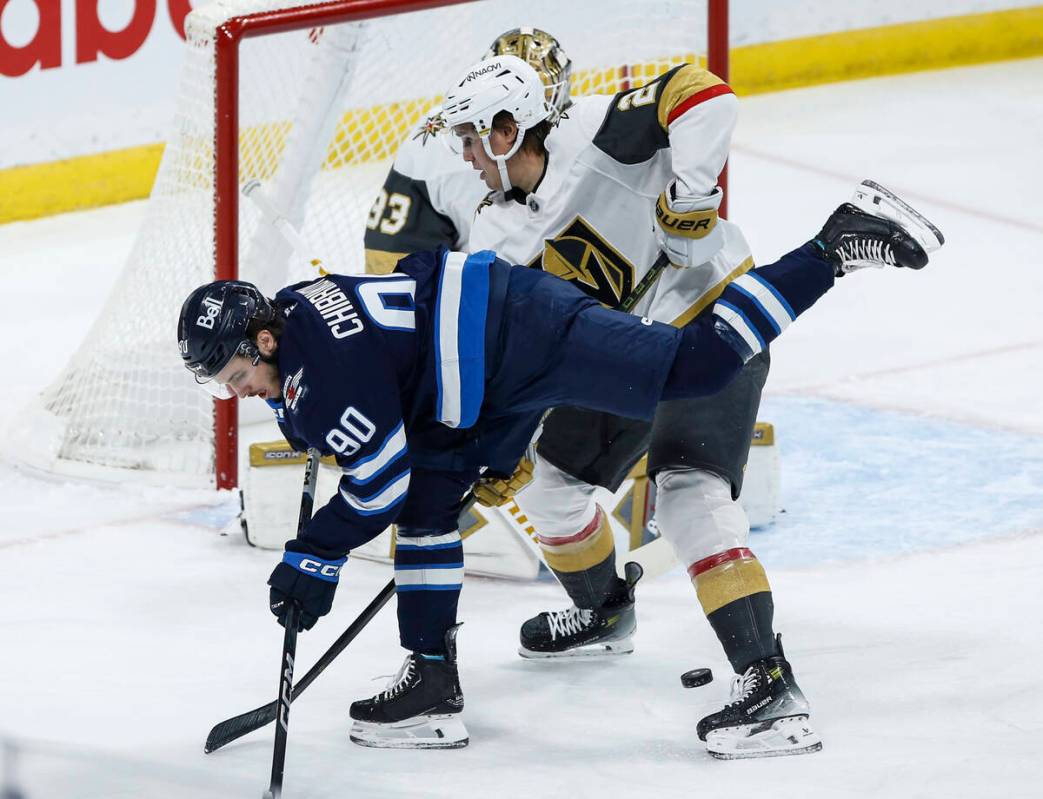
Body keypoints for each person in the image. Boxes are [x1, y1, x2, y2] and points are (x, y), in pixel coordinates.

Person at [178, 188, 940, 750]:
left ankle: (834, 243)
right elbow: (392, 417)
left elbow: (377, 479)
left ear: (266, 341)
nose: (230, 389)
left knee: (695, 363)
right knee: (431, 504)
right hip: (477, 372)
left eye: (231, 371)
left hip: (521, 331)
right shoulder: (293, 323)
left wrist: (314, 551)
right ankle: (432, 683)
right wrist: (484, 449)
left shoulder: (323, 374)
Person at [437, 54, 943, 758]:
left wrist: (692, 192)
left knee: (685, 492)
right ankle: (602, 611)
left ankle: (768, 686)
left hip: (713, 321)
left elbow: (705, 96)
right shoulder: (498, 228)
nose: (464, 154)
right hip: (622, 351)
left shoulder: (595, 130)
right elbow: (531, 342)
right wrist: (501, 443)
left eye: (468, 137)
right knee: (550, 485)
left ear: (504, 129)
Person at [362, 27, 571, 275]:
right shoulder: (437, 151)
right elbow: (387, 264)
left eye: (541, 93)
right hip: (433, 269)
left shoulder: (576, 129)